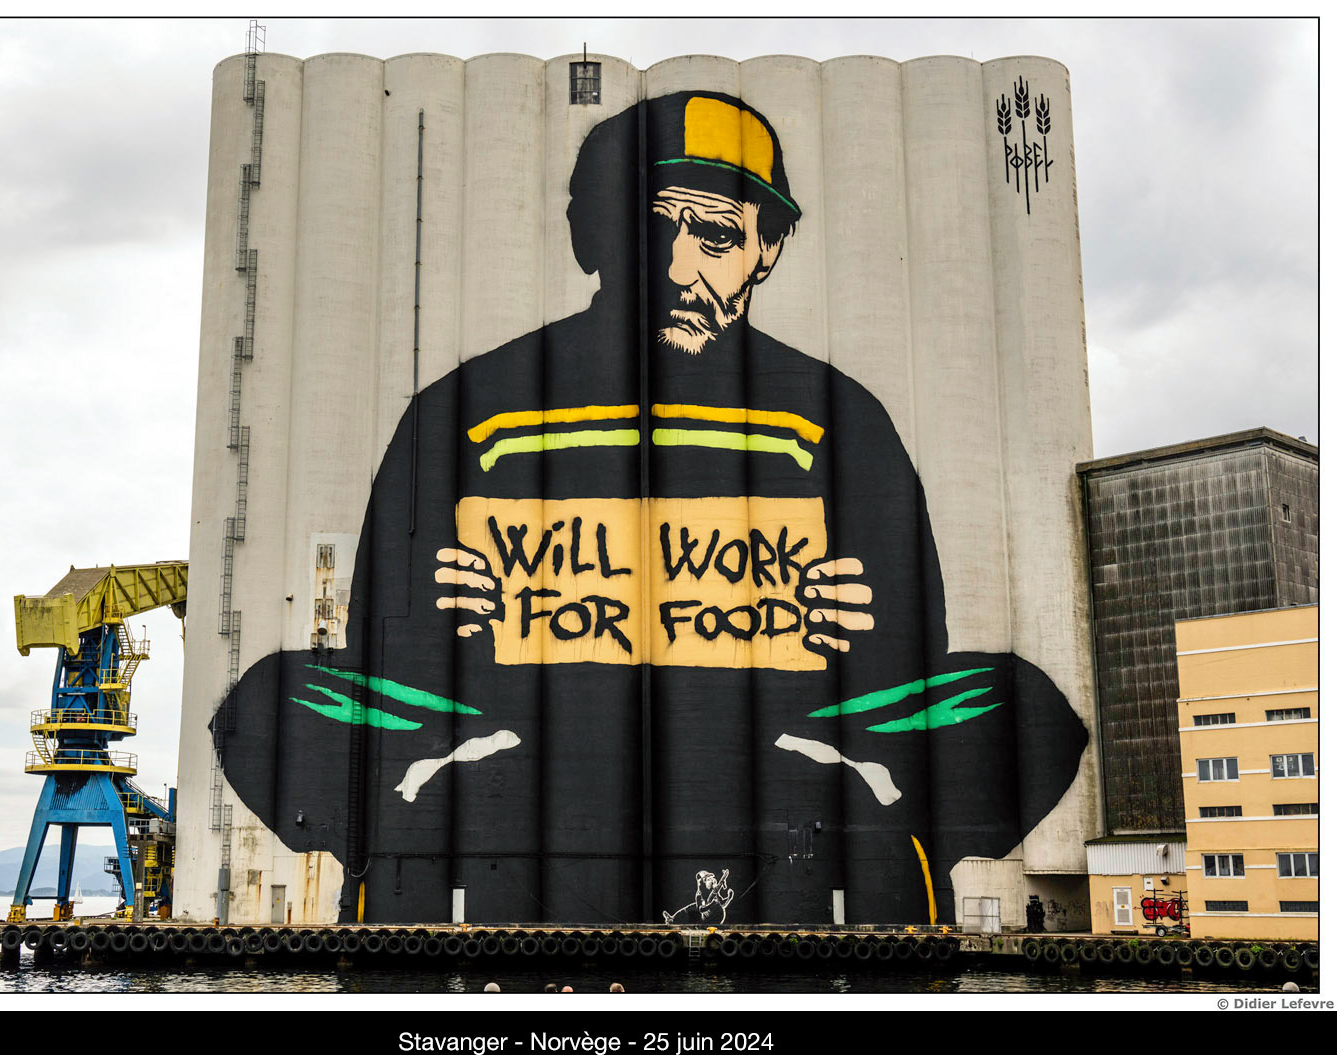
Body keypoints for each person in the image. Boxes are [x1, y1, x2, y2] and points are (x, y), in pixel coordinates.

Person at [214, 90, 1087, 927]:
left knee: (1020, 711)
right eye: (652, 227)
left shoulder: (839, 422)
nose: (677, 268)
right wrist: (433, 625)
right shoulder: (466, 411)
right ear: (596, 237)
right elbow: (375, 650)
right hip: (509, 737)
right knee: (271, 707)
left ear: (767, 248)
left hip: (780, 744)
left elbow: (917, 665)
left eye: (715, 235)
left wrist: (863, 627)